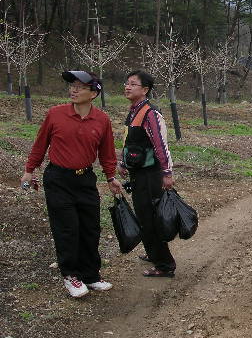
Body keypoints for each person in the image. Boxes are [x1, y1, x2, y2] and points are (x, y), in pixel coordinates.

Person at [21, 71, 121, 298]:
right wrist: (29, 170)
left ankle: (91, 275)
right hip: (58, 179)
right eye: (72, 85)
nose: (74, 90)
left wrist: (110, 177)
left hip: (85, 179)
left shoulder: (102, 120)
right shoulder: (55, 114)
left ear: (94, 93)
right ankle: (70, 275)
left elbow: (106, 153)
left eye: (80, 86)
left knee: (90, 227)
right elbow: (40, 144)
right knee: (67, 228)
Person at [117, 70, 176, 278]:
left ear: (145, 89)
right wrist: (123, 162)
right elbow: (130, 141)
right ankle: (153, 253)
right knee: (144, 216)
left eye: (133, 84)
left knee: (150, 218)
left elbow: (161, 145)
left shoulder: (150, 113)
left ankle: (164, 265)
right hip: (139, 174)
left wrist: (167, 173)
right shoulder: (134, 111)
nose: (127, 86)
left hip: (151, 175)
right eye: (127, 83)